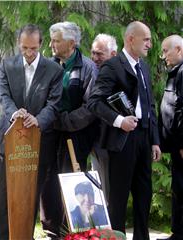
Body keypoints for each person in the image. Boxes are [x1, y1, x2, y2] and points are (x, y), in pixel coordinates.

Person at [88, 21, 161, 239]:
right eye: (145, 39)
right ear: (131, 39)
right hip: (122, 139)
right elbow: (94, 102)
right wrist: (120, 120)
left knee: (144, 193)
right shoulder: (112, 66)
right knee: (118, 196)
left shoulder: (144, 67)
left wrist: (155, 140)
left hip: (144, 137)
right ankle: (115, 237)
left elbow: (150, 106)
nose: (149, 44)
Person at [0, 24, 63, 240]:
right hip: (9, 140)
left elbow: (55, 103)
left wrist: (37, 120)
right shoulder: (7, 65)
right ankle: (3, 237)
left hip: (38, 143)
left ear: (41, 45)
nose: (29, 53)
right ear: (18, 44)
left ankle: (24, 236)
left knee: (31, 196)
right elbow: (3, 96)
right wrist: (16, 114)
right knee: (5, 195)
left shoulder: (54, 70)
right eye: (24, 48)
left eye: (33, 48)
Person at [38, 21, 97, 238]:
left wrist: (65, 121)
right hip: (49, 133)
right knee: (48, 180)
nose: (52, 44)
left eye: (57, 40)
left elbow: (91, 107)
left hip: (76, 135)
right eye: (51, 40)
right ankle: (51, 230)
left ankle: (72, 231)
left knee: (71, 180)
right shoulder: (48, 66)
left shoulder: (88, 67)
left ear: (71, 43)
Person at [158, 35, 183, 240]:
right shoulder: (176, 72)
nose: (162, 55)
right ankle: (178, 232)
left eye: (166, 51)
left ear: (179, 50)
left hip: (181, 145)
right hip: (175, 146)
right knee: (178, 188)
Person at [90, 33, 118, 202]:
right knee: (97, 184)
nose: (95, 57)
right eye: (93, 52)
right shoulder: (91, 70)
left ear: (113, 54)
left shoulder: (118, 73)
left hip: (112, 139)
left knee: (109, 187)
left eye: (99, 54)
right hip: (94, 138)